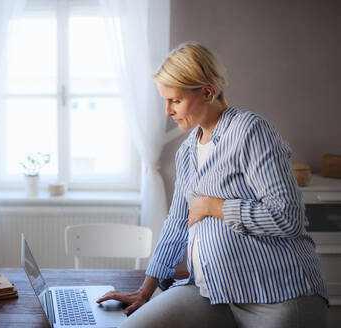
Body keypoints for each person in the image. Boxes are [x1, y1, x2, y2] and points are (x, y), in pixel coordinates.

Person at [96, 42, 328, 328]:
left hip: (278, 295)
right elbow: (177, 223)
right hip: (211, 293)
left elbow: (288, 217)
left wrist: (213, 206)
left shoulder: (250, 131)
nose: (167, 111)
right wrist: (146, 290)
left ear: (207, 92)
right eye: (165, 101)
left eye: (175, 101)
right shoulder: (187, 152)